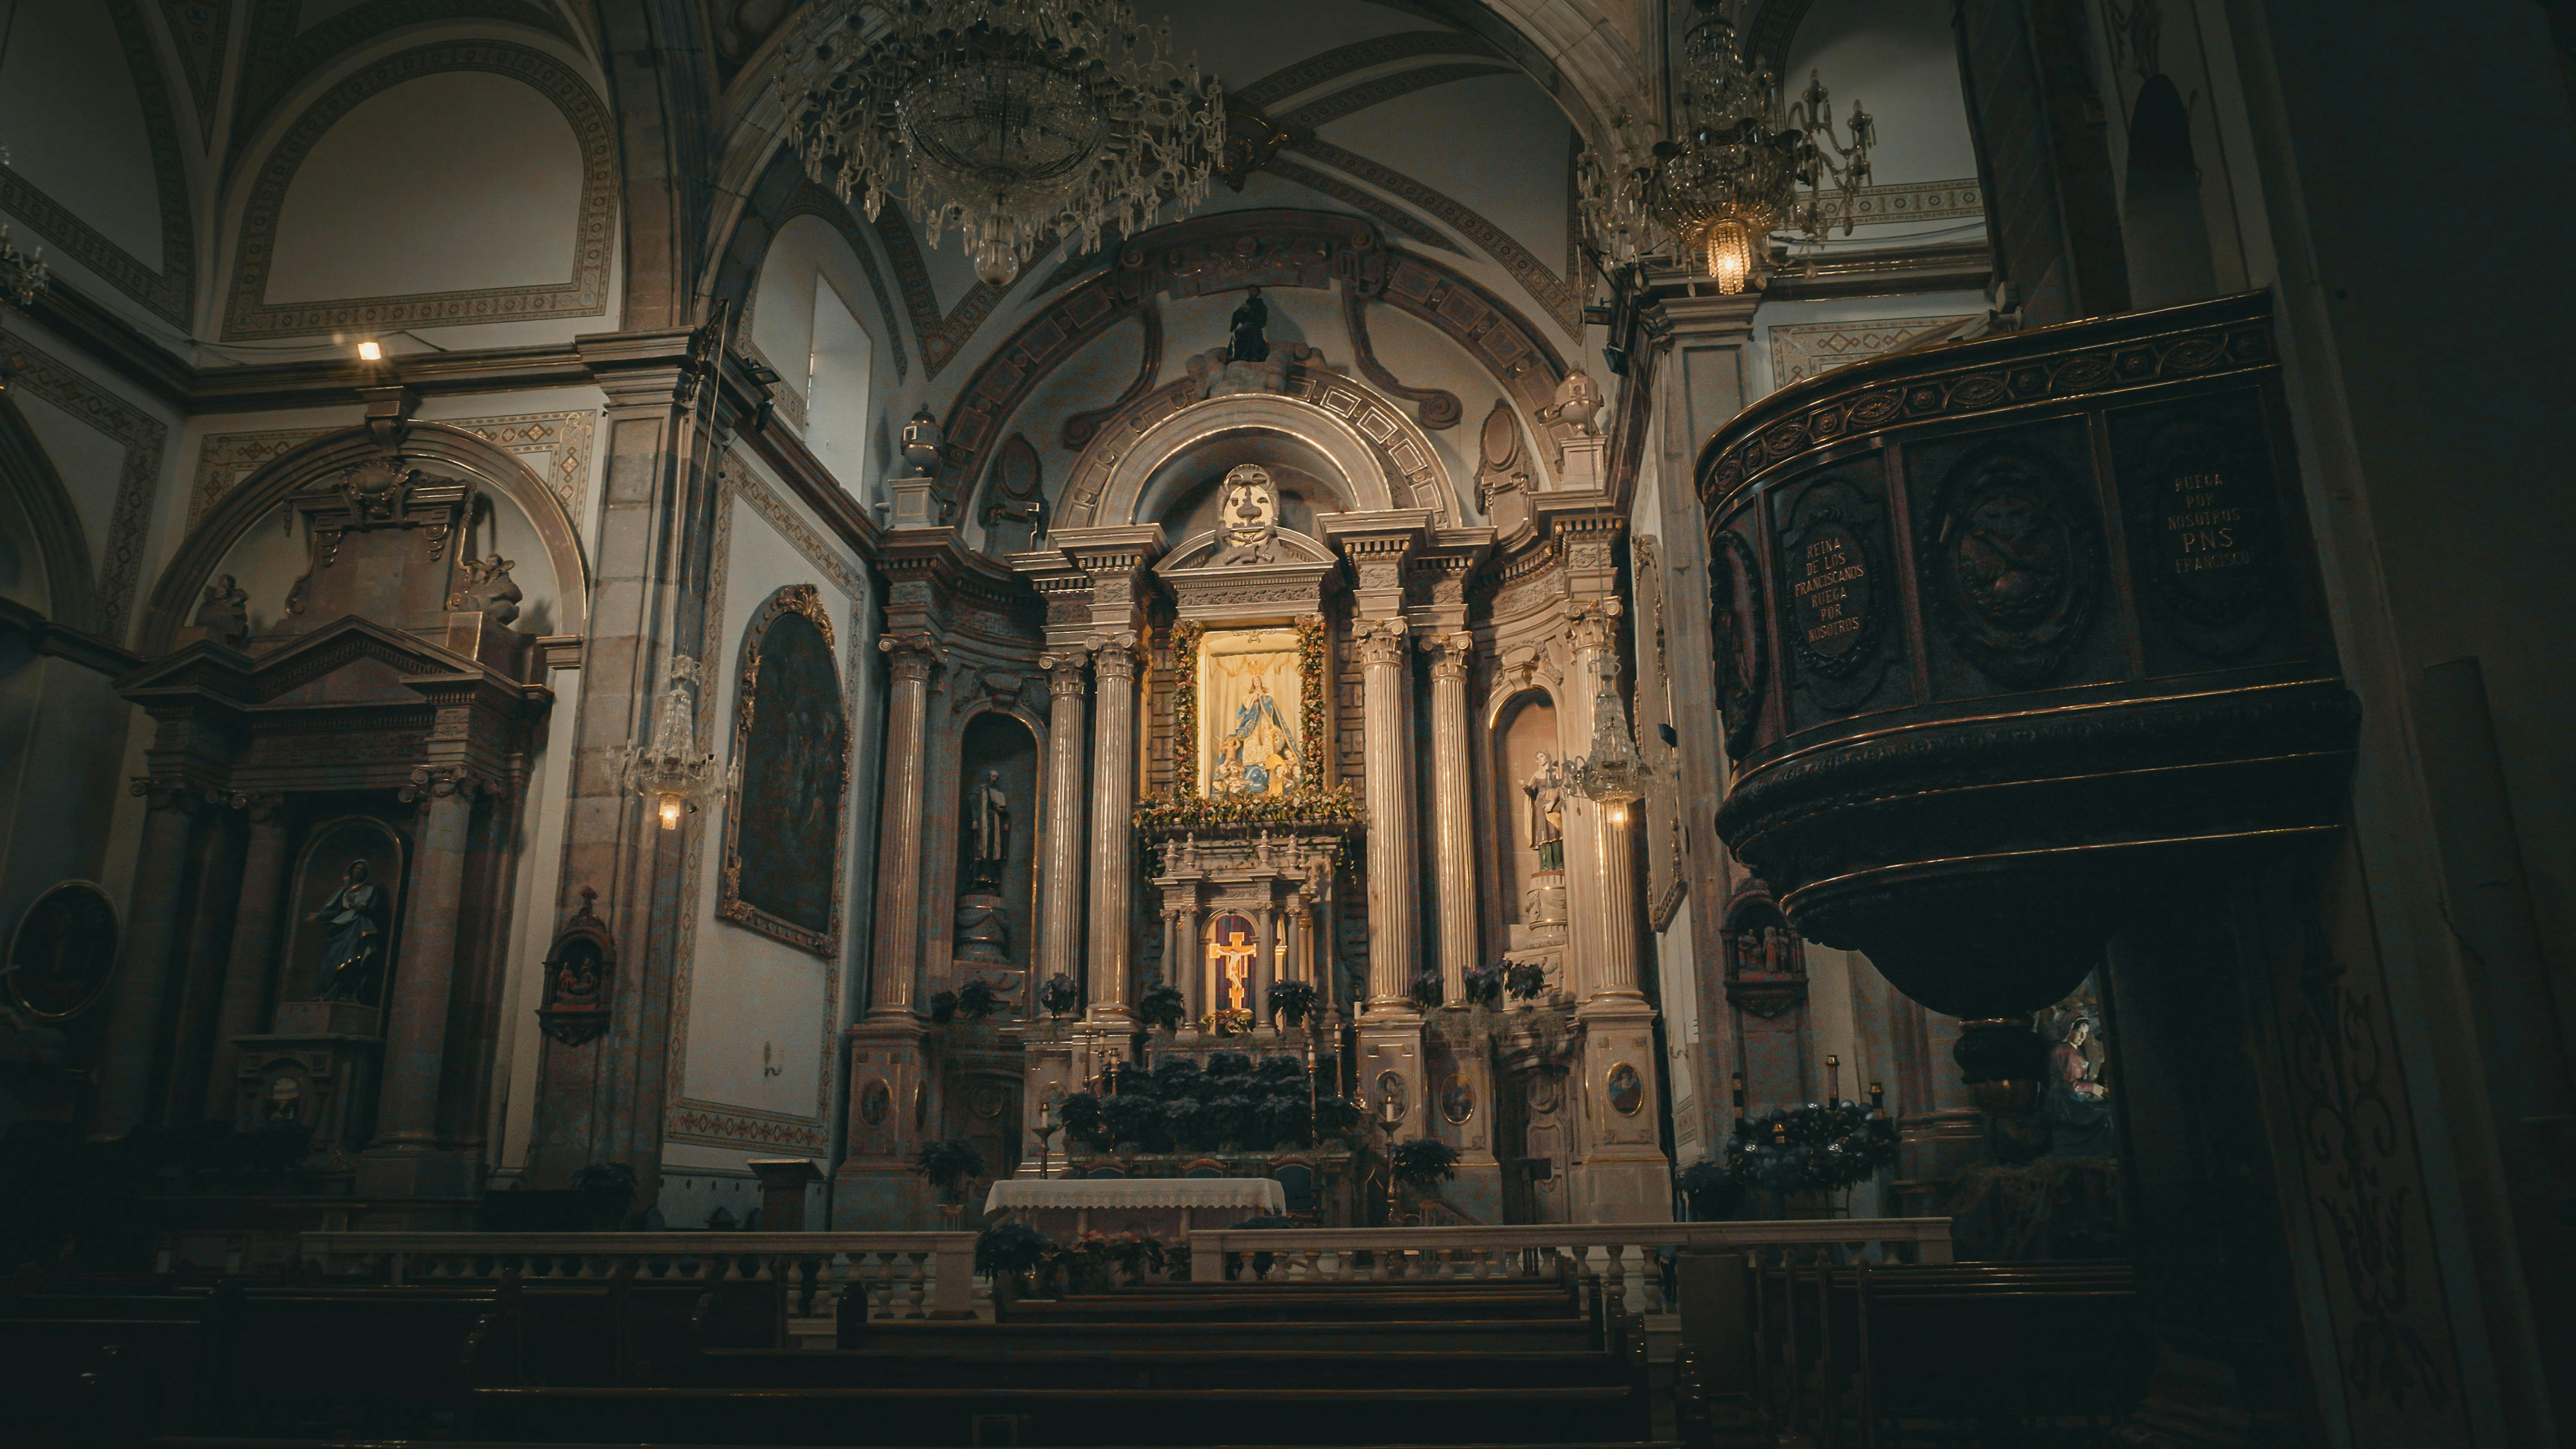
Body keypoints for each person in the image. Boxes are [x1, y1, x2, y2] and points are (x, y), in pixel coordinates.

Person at [312, 859, 389, 1003]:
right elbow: (335, 911)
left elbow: (375, 908)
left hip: (358, 926)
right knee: (331, 959)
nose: (358, 872)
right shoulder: (344, 891)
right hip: (341, 927)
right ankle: (324, 991)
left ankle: (341, 993)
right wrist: (319, 916)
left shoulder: (370, 890)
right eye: (356, 869)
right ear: (351, 870)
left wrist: (365, 908)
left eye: (362, 870)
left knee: (351, 961)